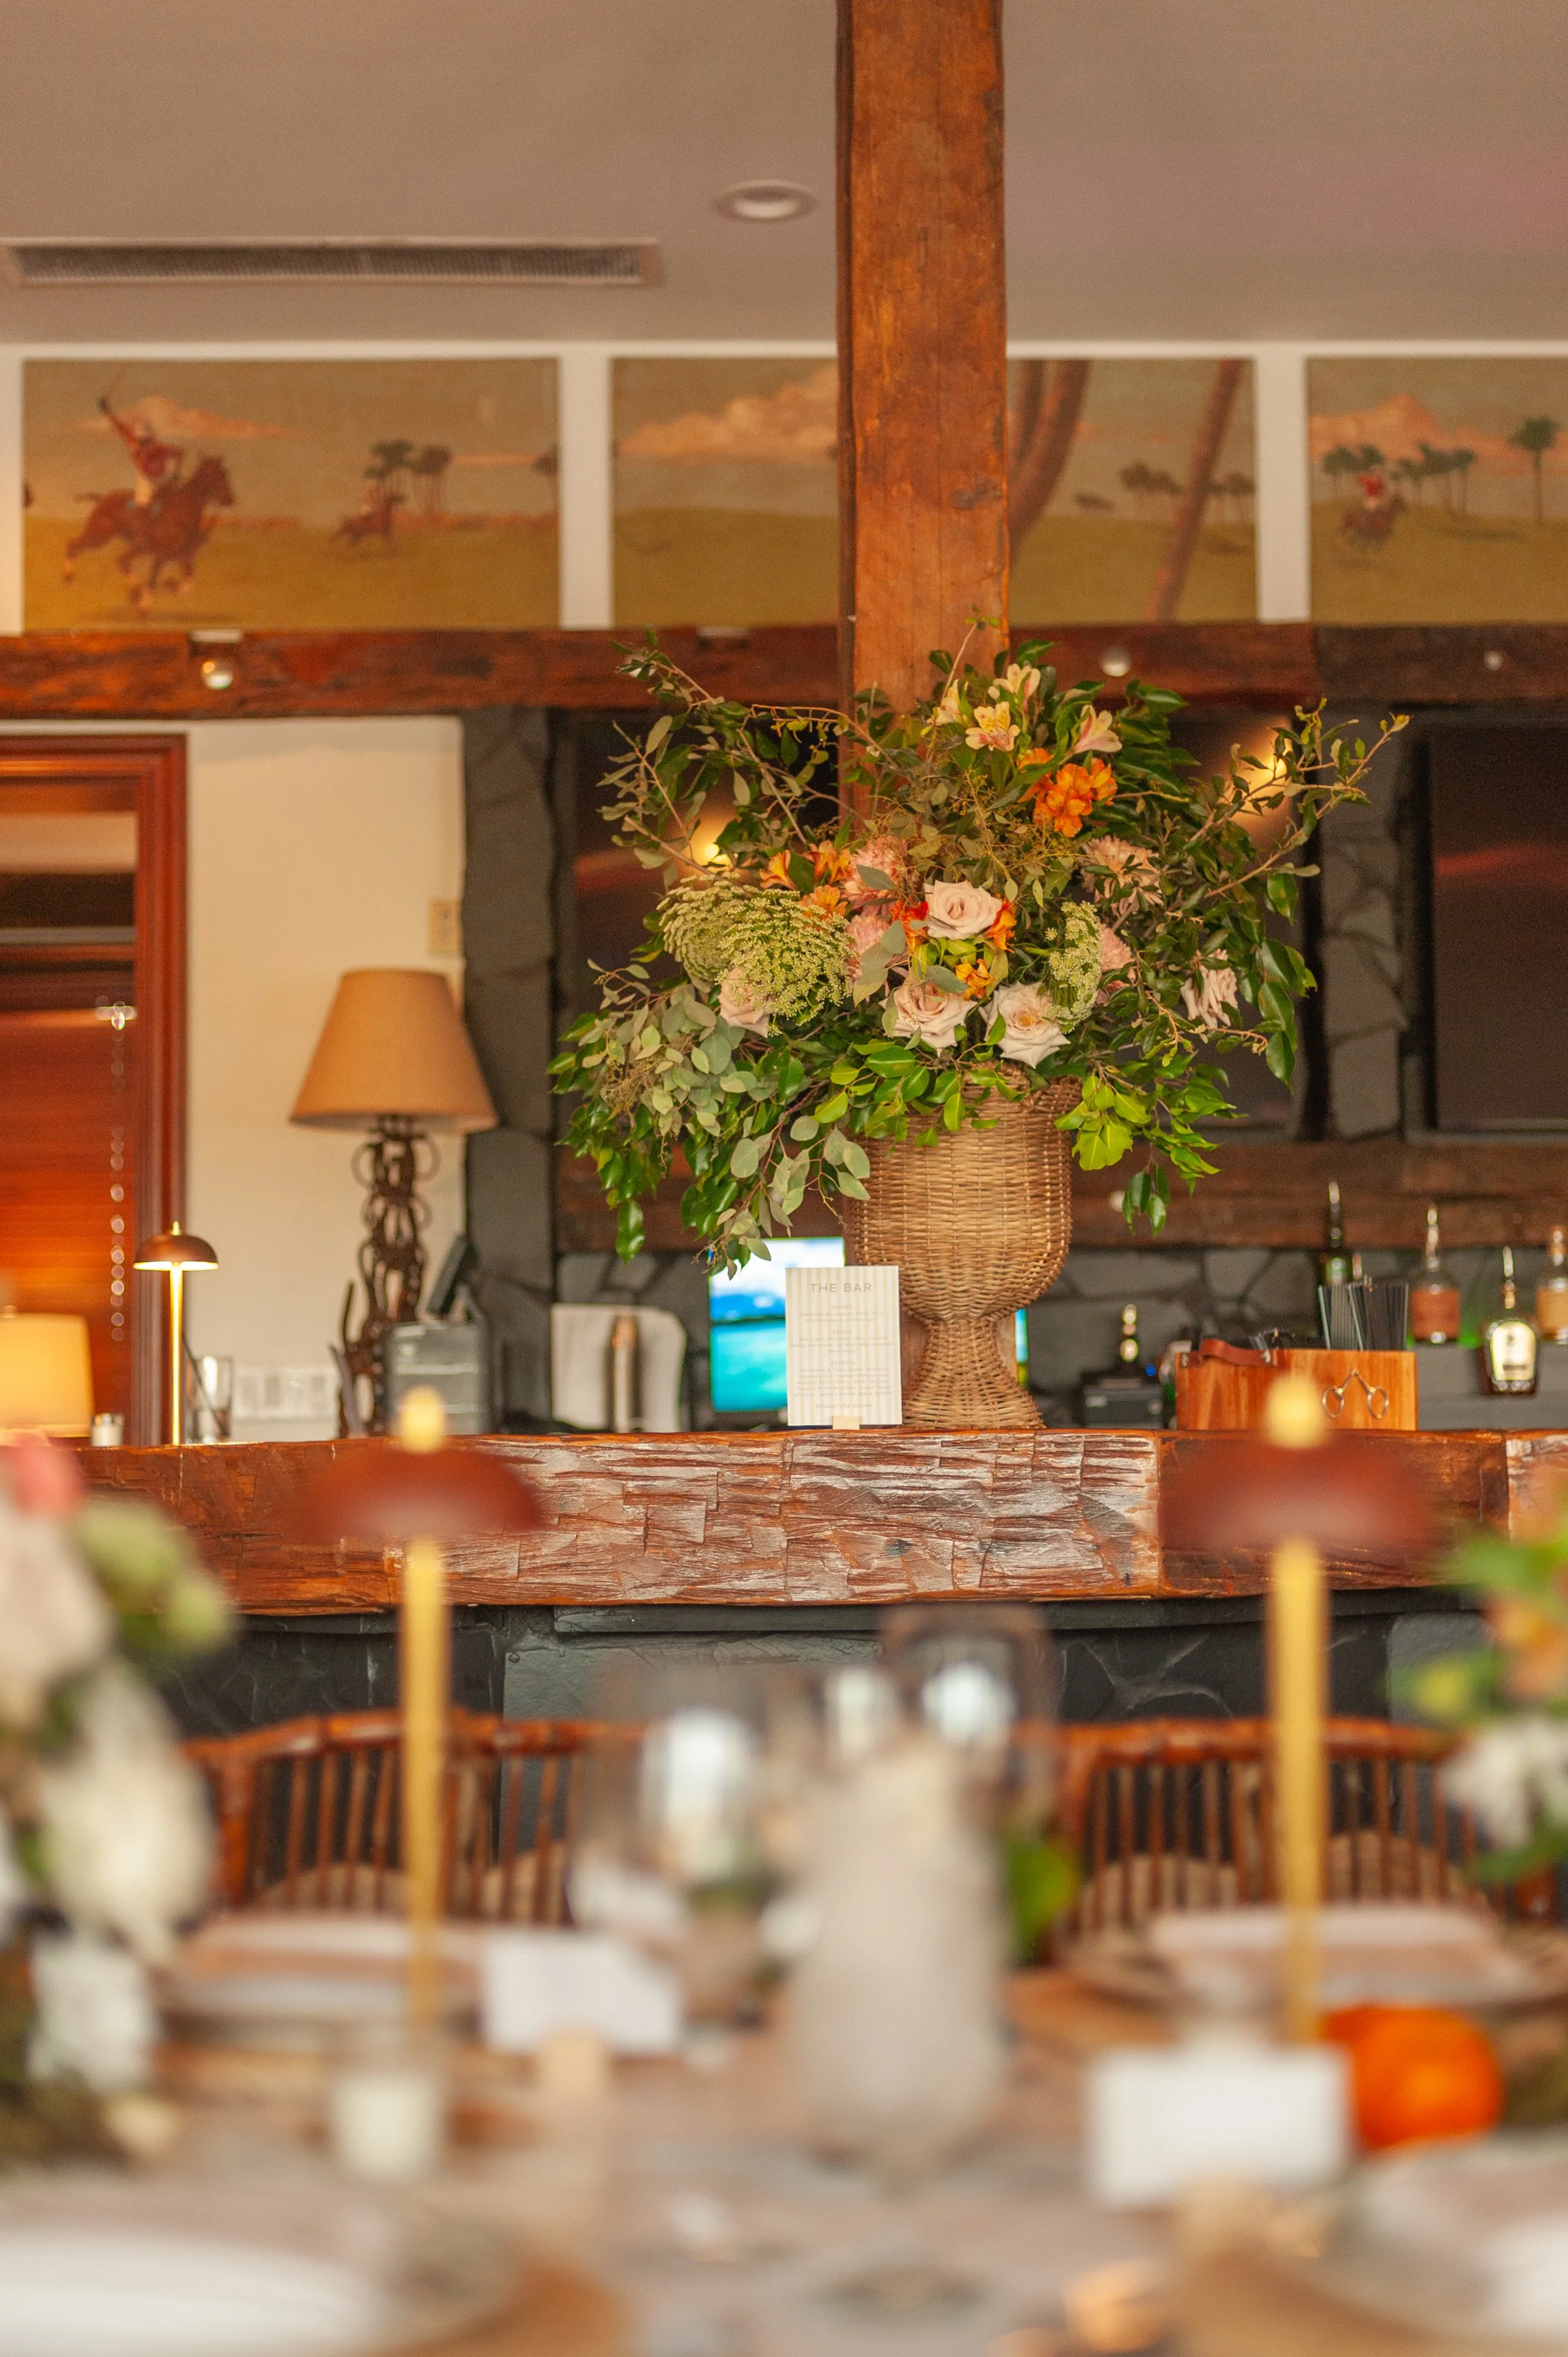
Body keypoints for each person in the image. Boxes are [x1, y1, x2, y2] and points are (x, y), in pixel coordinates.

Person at [98, 396, 184, 508]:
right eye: (144, 438)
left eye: (148, 438)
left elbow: (180, 453)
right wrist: (107, 410)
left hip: (163, 479)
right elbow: (119, 426)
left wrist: (175, 475)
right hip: (146, 481)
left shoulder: (159, 447)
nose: (147, 441)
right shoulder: (134, 442)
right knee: (144, 506)